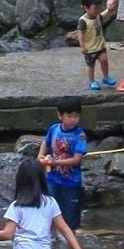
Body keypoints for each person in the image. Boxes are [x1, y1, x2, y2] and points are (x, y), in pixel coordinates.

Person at [38, 95, 88, 230]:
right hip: (52, 179)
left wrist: (55, 163)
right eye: (69, 116)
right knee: (50, 211)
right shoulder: (54, 129)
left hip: (71, 183)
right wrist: (40, 155)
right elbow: (46, 142)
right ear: (60, 115)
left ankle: (70, 242)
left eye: (77, 116)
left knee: (71, 217)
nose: (73, 120)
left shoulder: (80, 135)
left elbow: (77, 160)